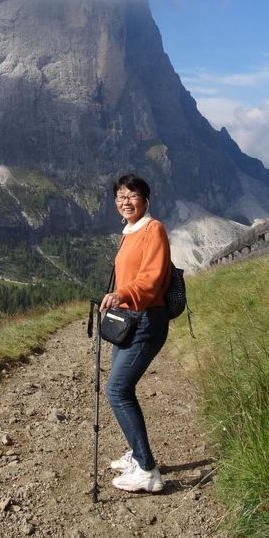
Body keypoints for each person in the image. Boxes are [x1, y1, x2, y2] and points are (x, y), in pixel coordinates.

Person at [99, 173, 171, 493]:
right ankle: (136, 454)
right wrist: (117, 299)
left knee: (117, 390)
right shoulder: (130, 231)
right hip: (127, 319)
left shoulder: (153, 229)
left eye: (131, 195)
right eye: (119, 197)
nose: (124, 202)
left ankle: (148, 471)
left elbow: (152, 279)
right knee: (119, 388)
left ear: (145, 199)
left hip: (146, 320)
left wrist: (120, 293)